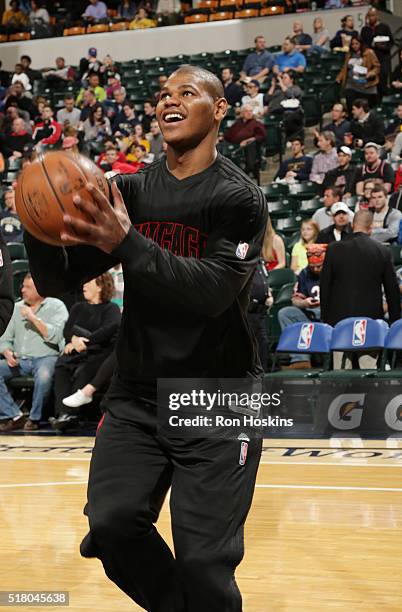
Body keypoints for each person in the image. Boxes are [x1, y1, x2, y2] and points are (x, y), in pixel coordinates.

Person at [24, 64, 268, 612]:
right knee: (111, 527)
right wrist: (38, 221)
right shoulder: (127, 191)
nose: (169, 101)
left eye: (188, 92)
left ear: (220, 109)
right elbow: (60, 279)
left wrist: (129, 242)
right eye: (162, 94)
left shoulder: (240, 198)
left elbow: (210, 293)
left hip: (216, 397)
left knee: (205, 562)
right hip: (137, 394)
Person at [320, 210, 400, 369]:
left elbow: (325, 287)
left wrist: (326, 320)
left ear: (352, 225)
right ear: (370, 228)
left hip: (339, 323)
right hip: (369, 323)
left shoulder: (333, 249)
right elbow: (392, 291)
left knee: (341, 376)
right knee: (369, 374)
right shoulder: (382, 251)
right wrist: (394, 322)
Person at [51, 274, 121, 430]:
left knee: (86, 369)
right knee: (62, 365)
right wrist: (75, 340)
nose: (84, 286)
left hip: (100, 352)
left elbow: (108, 331)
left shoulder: (111, 308)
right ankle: (62, 413)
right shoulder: (78, 307)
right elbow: (68, 330)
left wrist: (83, 341)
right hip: (78, 350)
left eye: (88, 282)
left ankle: (73, 414)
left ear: (101, 286)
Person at [0, 273, 68, 432]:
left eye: (28, 287)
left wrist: (34, 319)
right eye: (23, 286)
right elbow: (4, 336)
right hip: (20, 360)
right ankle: (14, 414)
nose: (23, 290)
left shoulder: (56, 306)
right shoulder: (16, 308)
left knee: (44, 375)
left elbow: (58, 335)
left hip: (46, 357)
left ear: (39, 288)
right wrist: (6, 350)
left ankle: (34, 418)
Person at [278, 244, 326, 370]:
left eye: (319, 266)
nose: (315, 269)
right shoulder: (304, 273)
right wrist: (305, 303)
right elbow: (295, 299)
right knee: (285, 312)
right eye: (312, 266)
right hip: (310, 313)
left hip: (329, 315)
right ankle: (301, 360)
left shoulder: (334, 272)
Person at [337, 36, 380, 114]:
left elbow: (377, 66)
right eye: (352, 44)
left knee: (364, 110)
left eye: (356, 43)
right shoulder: (349, 54)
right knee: (351, 107)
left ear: (361, 43)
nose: (354, 46)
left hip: (365, 85)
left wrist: (371, 73)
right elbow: (345, 68)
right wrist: (339, 77)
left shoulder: (369, 52)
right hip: (351, 84)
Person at [224, 104, 266, 181]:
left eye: (250, 111)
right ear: (242, 113)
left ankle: (245, 172)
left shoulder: (256, 123)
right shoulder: (238, 123)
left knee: (250, 145)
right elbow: (228, 135)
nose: (249, 113)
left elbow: (261, 136)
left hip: (248, 148)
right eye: (247, 111)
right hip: (235, 146)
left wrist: (247, 140)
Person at [360, 7, 393, 98]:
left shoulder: (384, 27)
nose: (371, 18)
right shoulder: (365, 30)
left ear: (377, 16)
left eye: (373, 15)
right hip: (371, 60)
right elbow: (363, 44)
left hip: (383, 58)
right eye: (369, 16)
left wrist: (382, 46)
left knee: (383, 83)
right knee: (371, 84)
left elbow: (391, 42)